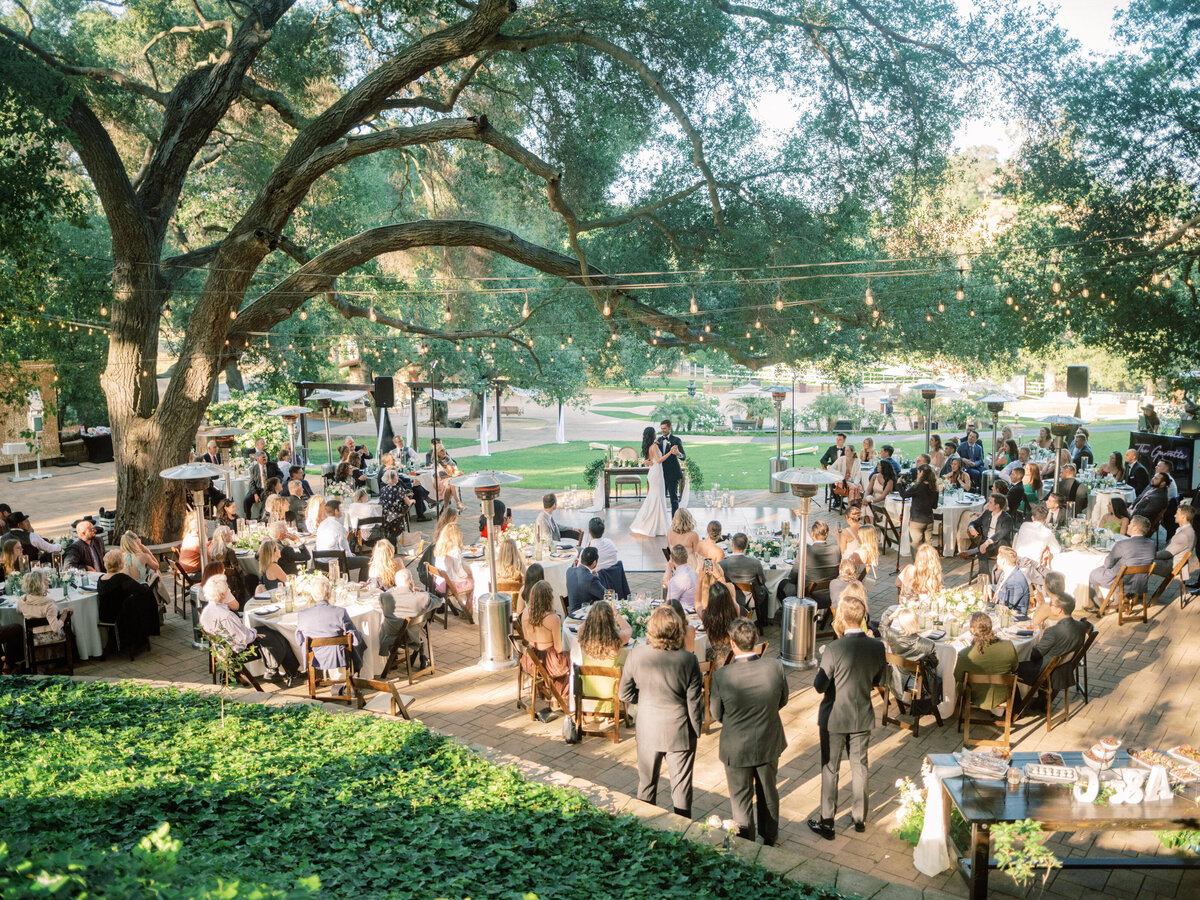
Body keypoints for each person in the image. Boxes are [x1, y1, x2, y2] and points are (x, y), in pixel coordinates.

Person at [809, 593, 886, 840]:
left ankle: (827, 820)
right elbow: (879, 680)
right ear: (863, 618)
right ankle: (859, 818)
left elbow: (819, 686)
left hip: (833, 717)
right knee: (860, 766)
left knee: (830, 768)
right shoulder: (877, 646)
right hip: (862, 713)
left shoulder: (833, 648)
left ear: (842, 617)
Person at [709, 617, 788, 846]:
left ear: (732, 644)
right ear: (756, 639)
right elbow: (782, 700)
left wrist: (734, 722)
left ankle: (745, 842)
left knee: (741, 798)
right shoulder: (775, 666)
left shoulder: (722, 675)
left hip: (736, 745)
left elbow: (716, 713)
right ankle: (770, 837)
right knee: (768, 792)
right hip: (768, 740)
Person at [618, 605, 703, 818]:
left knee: (646, 785)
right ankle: (683, 834)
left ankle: (645, 828)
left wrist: (644, 701)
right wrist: (695, 731)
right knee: (681, 788)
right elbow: (694, 702)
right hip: (679, 730)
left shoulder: (636, 655)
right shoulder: (688, 660)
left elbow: (624, 694)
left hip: (648, 728)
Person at [201, 572, 300, 684]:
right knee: (274, 635)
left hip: (220, 648)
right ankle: (281, 670)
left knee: (265, 631)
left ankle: (278, 669)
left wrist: (252, 631)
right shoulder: (226, 616)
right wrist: (253, 632)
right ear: (222, 594)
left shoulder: (207, 610)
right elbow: (242, 639)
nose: (230, 591)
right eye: (228, 588)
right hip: (234, 650)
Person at [294, 573, 365, 678]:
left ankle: (315, 677)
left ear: (312, 596)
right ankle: (356, 672)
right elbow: (355, 639)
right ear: (328, 595)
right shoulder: (339, 612)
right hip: (337, 655)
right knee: (357, 636)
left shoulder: (302, 615)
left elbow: (299, 640)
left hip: (315, 657)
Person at [1086, 515, 1158, 611]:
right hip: (1140, 583)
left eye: (1131, 524)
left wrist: (1105, 566)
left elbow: (1108, 564)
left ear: (1135, 528)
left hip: (1121, 582)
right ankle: (1119, 601)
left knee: (1092, 574)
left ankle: (1098, 606)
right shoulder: (1152, 544)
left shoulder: (1122, 544)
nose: (1128, 526)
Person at [1017, 592, 1087, 688]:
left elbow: (1035, 655)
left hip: (1043, 671)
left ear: (1060, 610)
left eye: (1051, 604)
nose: (1049, 606)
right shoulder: (1081, 626)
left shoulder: (1053, 631)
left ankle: (1017, 700)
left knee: (1011, 665)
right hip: (1063, 668)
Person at [519, 581, 570, 713]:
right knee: (572, 657)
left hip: (530, 660)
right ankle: (560, 695)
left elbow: (525, 638)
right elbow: (558, 648)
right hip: (548, 662)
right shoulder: (553, 619)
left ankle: (549, 692)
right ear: (549, 598)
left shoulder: (525, 613)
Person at [578, 600, 634, 717]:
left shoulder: (582, 635)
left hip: (588, 689)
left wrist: (592, 615)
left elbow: (582, 626)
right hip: (610, 691)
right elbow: (629, 629)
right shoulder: (617, 639)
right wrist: (616, 613)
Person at [97, 549, 160, 651]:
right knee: (146, 596)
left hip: (105, 615)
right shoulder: (121, 578)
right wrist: (152, 579)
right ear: (120, 564)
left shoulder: (101, 579)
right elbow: (142, 589)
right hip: (121, 616)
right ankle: (145, 634)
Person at [878, 607, 940, 709]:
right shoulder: (928, 644)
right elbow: (934, 664)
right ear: (916, 622)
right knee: (940, 678)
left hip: (897, 678)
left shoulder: (893, 636)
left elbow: (882, 627)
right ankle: (934, 706)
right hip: (919, 682)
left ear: (901, 623)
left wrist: (893, 615)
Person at [954, 612, 1018, 709]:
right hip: (1003, 694)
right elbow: (1015, 667)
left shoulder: (965, 654)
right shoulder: (1009, 646)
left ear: (972, 630)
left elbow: (958, 677)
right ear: (991, 627)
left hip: (975, 695)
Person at [782, 520, 840, 608]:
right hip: (830, 595)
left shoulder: (805, 552)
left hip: (808, 598)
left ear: (812, 534)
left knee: (781, 584)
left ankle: (788, 613)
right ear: (827, 534)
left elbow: (793, 577)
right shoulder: (836, 550)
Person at [719, 533, 767, 627]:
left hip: (730, 599)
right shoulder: (755, 563)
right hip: (750, 600)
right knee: (765, 589)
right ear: (746, 546)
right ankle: (763, 621)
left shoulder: (722, 564)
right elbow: (762, 581)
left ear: (732, 545)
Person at [959, 493, 1012, 579]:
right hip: (986, 545)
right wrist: (971, 527)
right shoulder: (987, 513)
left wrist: (986, 543)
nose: (988, 504)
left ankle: (973, 552)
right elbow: (975, 522)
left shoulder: (1006, 518)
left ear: (997, 505)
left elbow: (1000, 534)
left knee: (995, 543)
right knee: (981, 550)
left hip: (999, 545)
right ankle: (985, 577)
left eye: (990, 502)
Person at [630, 426, 671, 537]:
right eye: (654, 432)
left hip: (654, 472)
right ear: (652, 434)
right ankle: (657, 526)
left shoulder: (650, 446)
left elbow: (651, 461)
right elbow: (659, 460)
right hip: (656, 474)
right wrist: (670, 452)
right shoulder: (654, 446)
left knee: (655, 497)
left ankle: (657, 524)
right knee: (657, 497)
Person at [314, 500, 369, 581]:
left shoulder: (321, 525)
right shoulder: (339, 527)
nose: (342, 511)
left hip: (321, 560)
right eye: (340, 508)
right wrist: (350, 555)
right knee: (368, 561)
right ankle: (362, 584)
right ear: (336, 511)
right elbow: (344, 547)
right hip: (336, 562)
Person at [17, 570, 73, 647]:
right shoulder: (49, 605)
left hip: (32, 637)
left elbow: (19, 611)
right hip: (50, 638)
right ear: (40, 585)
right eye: (45, 580)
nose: (48, 581)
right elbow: (56, 628)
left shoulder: (22, 601)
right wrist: (64, 613)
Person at [432, 521, 475, 614]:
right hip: (450, 586)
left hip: (439, 584)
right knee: (475, 581)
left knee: (469, 578)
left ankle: (464, 607)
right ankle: (468, 611)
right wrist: (469, 574)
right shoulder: (455, 549)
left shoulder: (440, 547)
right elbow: (459, 572)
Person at [899, 464, 938, 552]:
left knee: (915, 546)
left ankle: (917, 564)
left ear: (922, 473)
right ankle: (929, 564)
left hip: (917, 520)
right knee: (928, 547)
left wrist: (899, 484)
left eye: (918, 473)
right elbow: (934, 506)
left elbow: (904, 495)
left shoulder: (918, 486)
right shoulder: (934, 487)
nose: (917, 475)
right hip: (929, 519)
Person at [701, 580, 739, 664]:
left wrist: (701, 579)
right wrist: (719, 576)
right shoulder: (735, 610)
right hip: (731, 659)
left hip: (713, 662)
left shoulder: (706, 616)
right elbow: (732, 596)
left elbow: (697, 603)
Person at [1156, 505, 1195, 579]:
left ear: (1183, 516)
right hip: (1172, 562)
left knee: (1139, 562)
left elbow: (1167, 554)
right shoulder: (1188, 530)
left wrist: (1149, 555)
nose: (1174, 515)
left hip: (1170, 566)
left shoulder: (1184, 535)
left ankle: (1135, 588)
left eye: (1177, 513)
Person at [657, 419, 687, 517]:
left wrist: (677, 453)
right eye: (661, 428)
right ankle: (662, 519)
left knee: (674, 498)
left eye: (665, 428)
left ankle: (675, 520)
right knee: (661, 497)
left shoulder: (676, 440)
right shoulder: (658, 441)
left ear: (670, 428)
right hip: (661, 474)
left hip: (673, 474)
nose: (663, 430)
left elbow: (683, 457)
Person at [989, 547, 1030, 615]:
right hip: (1001, 611)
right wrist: (989, 586)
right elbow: (1000, 589)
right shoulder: (1006, 572)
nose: (996, 561)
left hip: (1014, 619)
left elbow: (1007, 606)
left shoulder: (1016, 581)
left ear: (1003, 561)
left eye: (998, 558)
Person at [566, 546, 605, 616]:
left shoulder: (569, 571)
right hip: (585, 617)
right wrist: (597, 578)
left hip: (571, 614)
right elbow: (605, 595)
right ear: (594, 563)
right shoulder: (592, 579)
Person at [663, 545, 698, 611]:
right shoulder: (689, 569)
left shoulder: (677, 580)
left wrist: (669, 566)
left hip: (682, 613)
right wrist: (669, 567)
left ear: (672, 559)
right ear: (686, 557)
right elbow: (668, 584)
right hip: (692, 608)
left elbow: (669, 604)